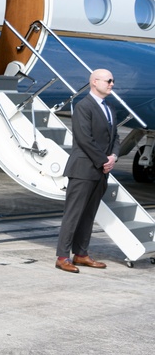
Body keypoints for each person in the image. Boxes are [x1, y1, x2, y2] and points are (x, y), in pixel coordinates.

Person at [55, 69, 119, 272]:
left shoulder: (110, 109)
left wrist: (113, 157)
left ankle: (81, 254)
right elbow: (84, 139)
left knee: (88, 215)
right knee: (73, 214)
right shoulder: (84, 106)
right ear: (94, 82)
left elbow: (115, 137)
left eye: (112, 81)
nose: (112, 84)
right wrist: (103, 161)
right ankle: (63, 257)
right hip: (83, 169)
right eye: (108, 81)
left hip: (100, 171)